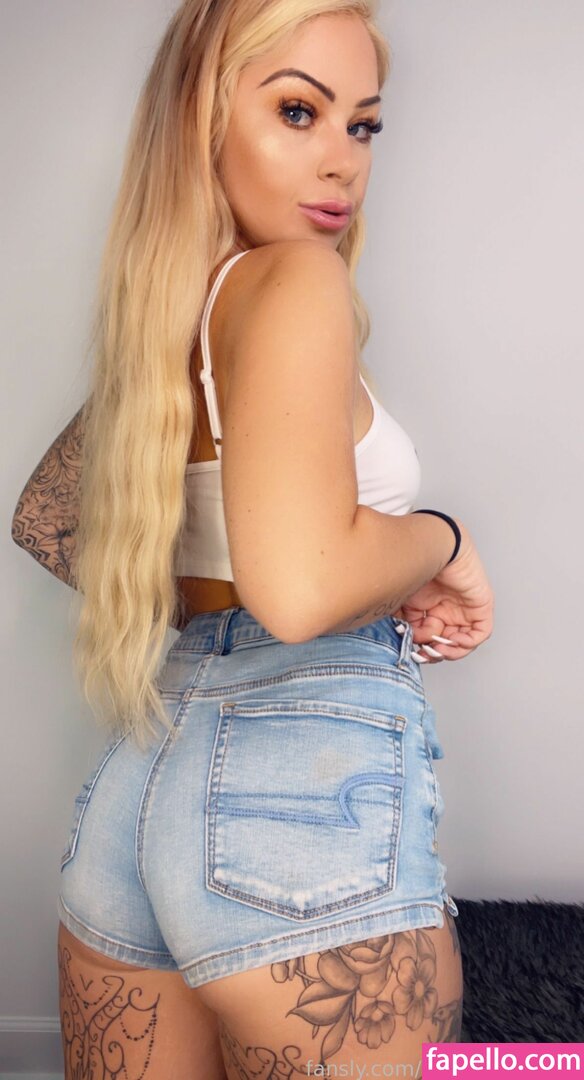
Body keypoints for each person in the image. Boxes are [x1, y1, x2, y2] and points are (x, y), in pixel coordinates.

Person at [11, 1, 494, 1076]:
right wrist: (443, 541)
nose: (342, 160)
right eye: (297, 111)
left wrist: (224, 575)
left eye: (362, 124)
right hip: (300, 803)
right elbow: (302, 590)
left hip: (144, 784)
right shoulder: (295, 281)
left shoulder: (171, 323)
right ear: (201, 118)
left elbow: (46, 520)